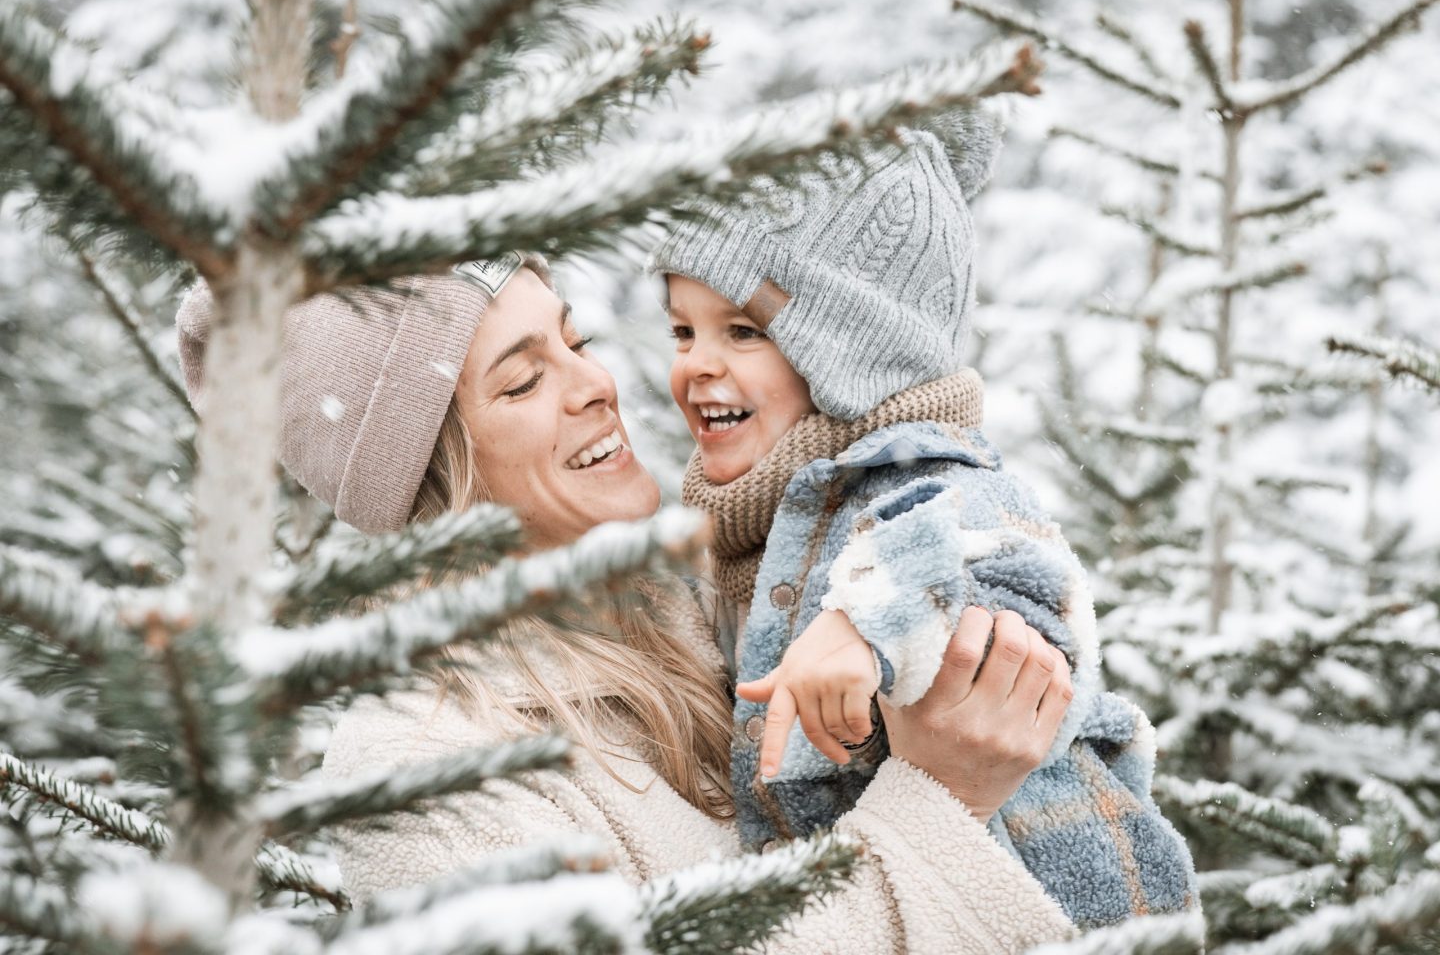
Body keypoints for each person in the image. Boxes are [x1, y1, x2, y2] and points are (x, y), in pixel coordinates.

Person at [175, 252, 1079, 953]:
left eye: (578, 343)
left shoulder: (732, 590)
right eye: (524, 380)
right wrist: (943, 800)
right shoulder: (418, 773)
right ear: (432, 481)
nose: (595, 386)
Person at [647, 111, 1197, 928]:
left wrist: (864, 624)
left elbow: (1012, 569)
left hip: (1060, 907)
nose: (697, 364)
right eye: (683, 330)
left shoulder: (928, 472)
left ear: (853, 349)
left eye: (744, 332)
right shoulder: (742, 529)